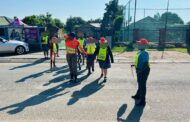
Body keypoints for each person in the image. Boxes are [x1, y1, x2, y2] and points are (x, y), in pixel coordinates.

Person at [131, 38, 150, 106]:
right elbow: (140, 61)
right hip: (139, 70)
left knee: (142, 85)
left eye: (140, 44)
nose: (138, 45)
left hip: (143, 70)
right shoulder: (140, 52)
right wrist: (135, 65)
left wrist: (140, 71)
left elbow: (145, 63)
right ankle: (138, 95)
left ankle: (143, 101)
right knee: (140, 83)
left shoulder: (144, 53)